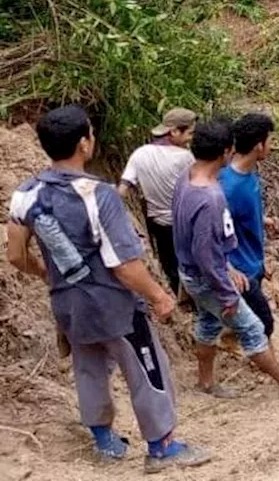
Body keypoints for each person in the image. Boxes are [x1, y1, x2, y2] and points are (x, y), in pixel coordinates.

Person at [6, 106, 210, 472]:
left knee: (88, 368)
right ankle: (162, 446)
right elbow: (124, 265)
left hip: (67, 303)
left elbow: (16, 256)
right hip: (114, 304)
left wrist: (48, 276)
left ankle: (104, 441)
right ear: (84, 143)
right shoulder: (98, 195)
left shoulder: (26, 194)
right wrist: (160, 296)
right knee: (148, 368)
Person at [172, 120, 279, 400]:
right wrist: (226, 288)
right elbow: (206, 253)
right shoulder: (212, 198)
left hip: (192, 272)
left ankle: (206, 383)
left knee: (208, 324)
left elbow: (200, 238)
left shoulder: (187, 178)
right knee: (253, 328)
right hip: (209, 278)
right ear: (226, 151)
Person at [119, 108, 197, 295]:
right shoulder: (185, 158)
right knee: (190, 266)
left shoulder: (140, 153)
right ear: (174, 132)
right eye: (189, 133)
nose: (190, 139)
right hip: (183, 223)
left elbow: (123, 188)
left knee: (169, 266)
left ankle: (178, 301)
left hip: (157, 224)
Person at [218, 113, 277, 341]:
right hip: (241, 269)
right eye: (269, 141)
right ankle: (241, 346)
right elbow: (214, 230)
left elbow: (237, 216)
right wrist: (228, 268)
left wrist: (262, 219)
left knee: (254, 316)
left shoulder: (249, 173)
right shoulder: (228, 187)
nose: (271, 146)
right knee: (265, 325)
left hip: (254, 260)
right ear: (258, 145)